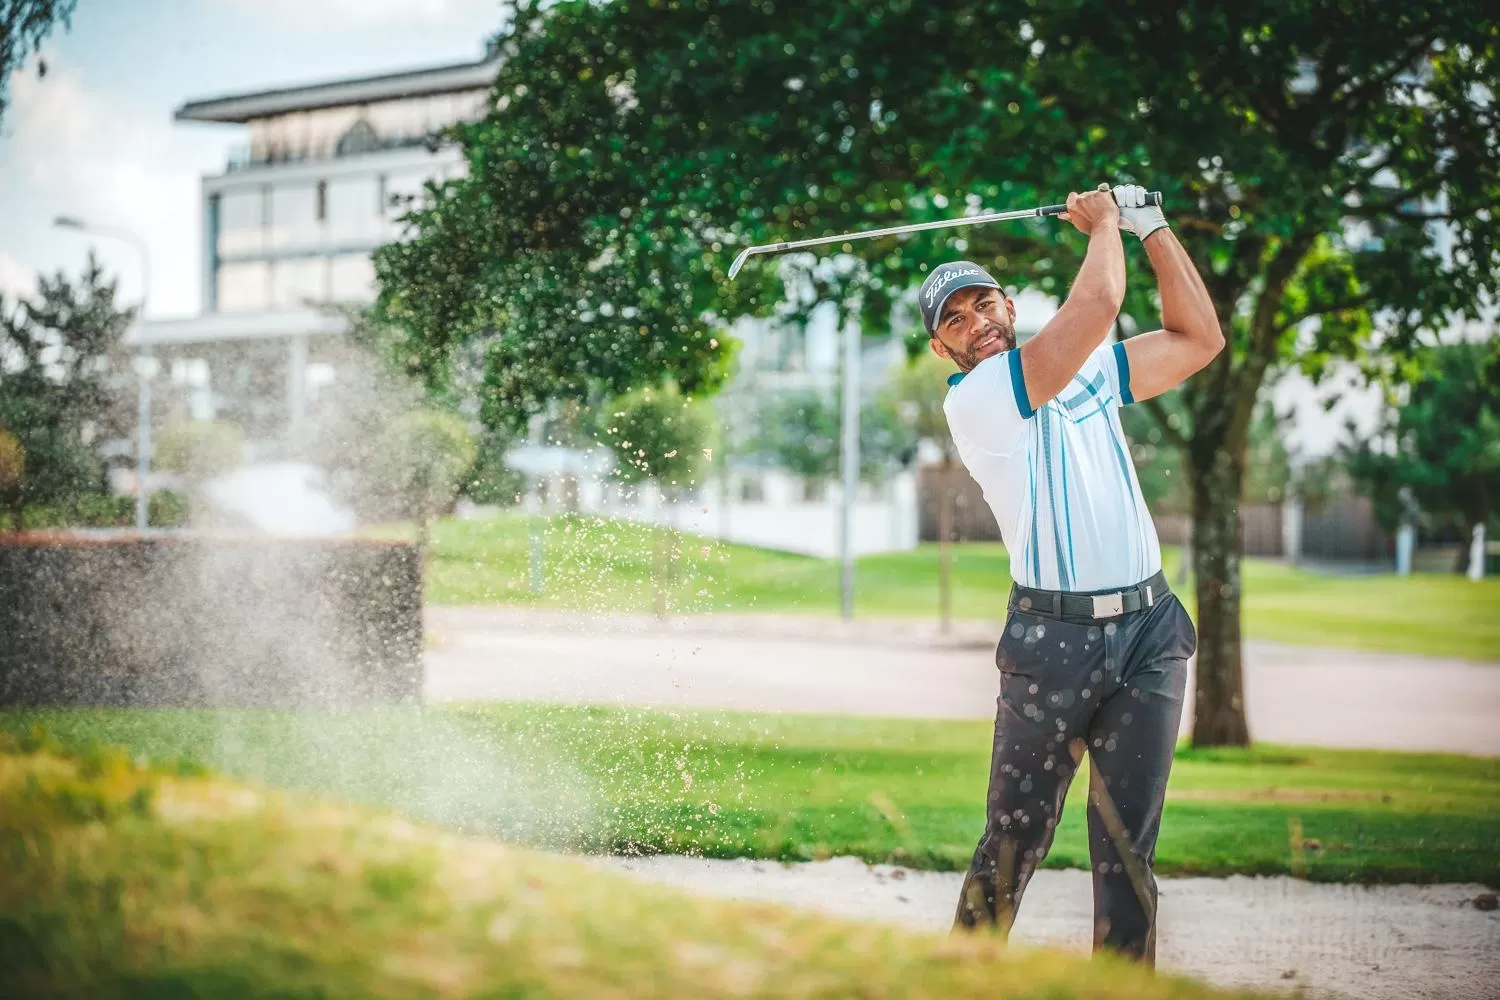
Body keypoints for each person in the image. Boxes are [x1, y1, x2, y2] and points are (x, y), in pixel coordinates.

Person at [921, 183, 1223, 964]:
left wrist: (1153, 225)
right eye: (953, 320)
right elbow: (1097, 303)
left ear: (1010, 307)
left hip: (1150, 633)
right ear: (941, 351)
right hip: (1052, 642)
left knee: (1128, 852)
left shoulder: (1086, 374)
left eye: (982, 304)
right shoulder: (980, 399)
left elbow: (1198, 337)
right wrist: (1104, 223)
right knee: (1014, 842)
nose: (973, 324)